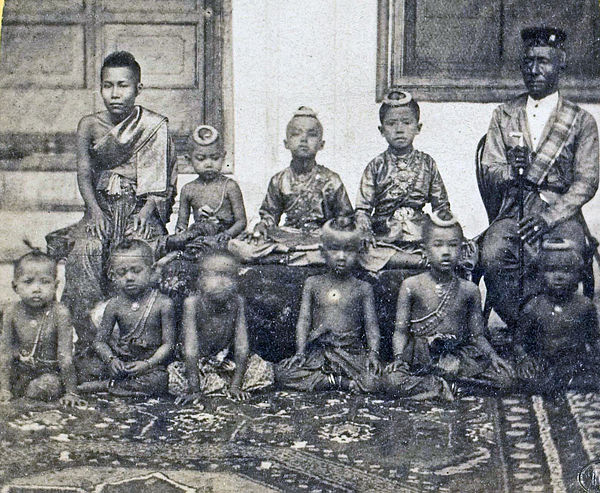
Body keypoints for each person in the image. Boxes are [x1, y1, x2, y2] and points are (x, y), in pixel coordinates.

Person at [45, 51, 178, 369]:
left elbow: (163, 181)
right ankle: (92, 342)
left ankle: (140, 344)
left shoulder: (154, 125)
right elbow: (83, 172)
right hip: (102, 206)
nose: (115, 94)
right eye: (108, 86)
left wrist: (147, 214)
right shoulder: (89, 125)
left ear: (138, 89)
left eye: (123, 86)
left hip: (140, 208)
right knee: (84, 252)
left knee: (140, 256)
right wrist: (93, 212)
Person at [479, 27, 599, 330]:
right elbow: (490, 167)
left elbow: (586, 181)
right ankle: (526, 331)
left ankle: (558, 333)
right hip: (514, 211)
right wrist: (509, 171)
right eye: (528, 61)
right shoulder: (504, 115)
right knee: (493, 253)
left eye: (543, 61)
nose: (534, 70)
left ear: (561, 62)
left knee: (566, 254)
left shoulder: (581, 120)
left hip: (560, 214)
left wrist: (548, 218)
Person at [275, 217, 447, 398]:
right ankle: (340, 383)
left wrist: (373, 354)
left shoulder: (363, 288)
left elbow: (371, 326)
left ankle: (334, 381)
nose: (341, 256)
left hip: (352, 353)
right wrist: (300, 352)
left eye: (348, 250)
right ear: (322, 251)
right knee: (282, 372)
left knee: (376, 380)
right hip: (319, 353)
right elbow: (304, 321)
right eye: (334, 249)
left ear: (359, 252)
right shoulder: (313, 284)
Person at [387, 213, 514, 394]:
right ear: (424, 250)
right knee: (392, 381)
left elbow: (477, 336)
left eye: (453, 245)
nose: (445, 252)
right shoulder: (411, 286)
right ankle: (451, 387)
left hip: (458, 355)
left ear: (462, 250)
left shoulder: (469, 290)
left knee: (505, 380)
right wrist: (399, 358)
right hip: (422, 357)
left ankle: (440, 387)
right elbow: (400, 331)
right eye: (438, 245)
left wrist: (493, 356)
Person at [230, 106, 353, 265]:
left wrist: (340, 229)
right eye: (296, 134)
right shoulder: (279, 180)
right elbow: (269, 215)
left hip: (321, 239)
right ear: (286, 143)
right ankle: (301, 259)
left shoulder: (332, 179)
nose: (303, 139)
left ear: (321, 144)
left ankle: (288, 259)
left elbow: (346, 217)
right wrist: (262, 226)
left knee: (346, 250)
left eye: (312, 134)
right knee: (237, 247)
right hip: (288, 237)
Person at [356, 90, 453, 272]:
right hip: (384, 235)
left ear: (418, 127)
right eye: (391, 124)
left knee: (459, 249)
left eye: (407, 123)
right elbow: (362, 209)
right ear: (381, 130)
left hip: (420, 233)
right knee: (361, 252)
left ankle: (414, 258)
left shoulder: (427, 163)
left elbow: (441, 207)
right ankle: (418, 261)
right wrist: (364, 230)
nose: (399, 129)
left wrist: (446, 229)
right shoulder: (376, 165)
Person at [156, 125, 246, 298]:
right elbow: (182, 224)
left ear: (224, 157)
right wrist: (182, 234)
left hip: (223, 237)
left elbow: (241, 221)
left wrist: (227, 234)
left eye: (214, 157)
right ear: (189, 160)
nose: (209, 163)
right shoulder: (188, 189)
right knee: (174, 248)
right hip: (199, 237)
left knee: (236, 249)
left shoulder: (230, 186)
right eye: (201, 158)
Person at [172, 251, 273, 404]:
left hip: (223, 363)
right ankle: (210, 386)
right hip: (196, 365)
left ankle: (224, 386)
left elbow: (241, 345)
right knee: (174, 378)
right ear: (201, 280)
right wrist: (195, 389)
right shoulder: (192, 303)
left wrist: (236, 385)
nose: (223, 281)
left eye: (229, 275)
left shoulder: (237, 302)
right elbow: (190, 349)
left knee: (263, 370)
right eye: (217, 274)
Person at [78, 240, 175, 398]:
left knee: (159, 381)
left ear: (151, 271)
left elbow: (168, 344)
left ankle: (107, 386)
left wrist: (148, 364)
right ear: (113, 275)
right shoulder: (114, 304)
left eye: (136, 271)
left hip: (150, 364)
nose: (129, 277)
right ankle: (118, 383)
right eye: (121, 273)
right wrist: (111, 360)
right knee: (85, 366)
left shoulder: (163, 303)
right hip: (121, 360)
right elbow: (100, 341)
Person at [0, 247, 86, 406]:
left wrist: (71, 393)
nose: (37, 289)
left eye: (45, 282)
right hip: (21, 369)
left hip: (49, 371)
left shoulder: (60, 313)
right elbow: (5, 353)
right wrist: (4, 389)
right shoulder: (11, 311)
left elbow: (65, 357)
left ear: (55, 285)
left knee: (45, 387)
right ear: (15, 286)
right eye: (28, 281)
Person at [515, 240, 600, 395]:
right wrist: (524, 359)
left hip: (575, 363)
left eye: (566, 271)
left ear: (579, 275)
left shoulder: (585, 306)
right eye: (551, 270)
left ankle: (570, 383)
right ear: (540, 273)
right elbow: (519, 342)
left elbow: (594, 339)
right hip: (544, 364)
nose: (558, 277)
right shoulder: (533, 307)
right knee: (528, 381)